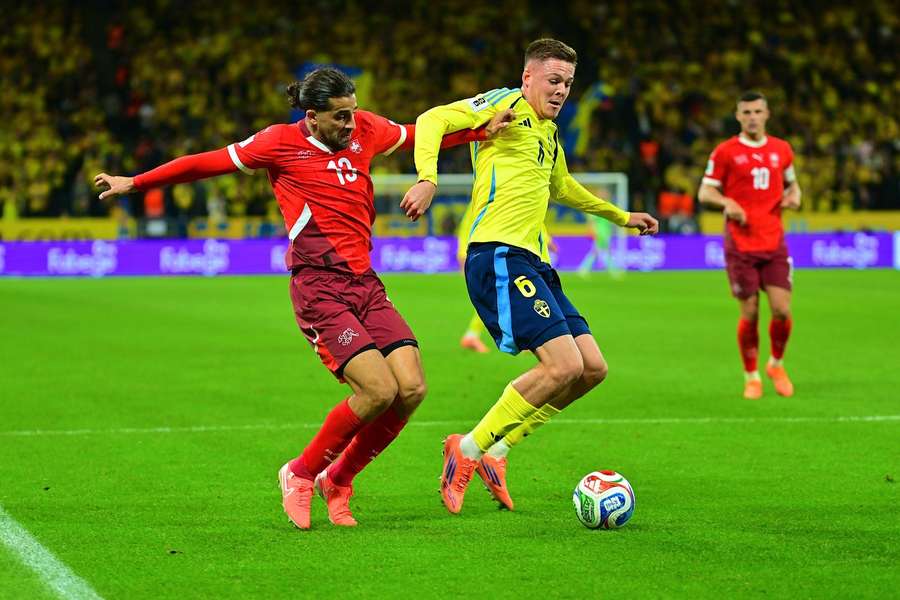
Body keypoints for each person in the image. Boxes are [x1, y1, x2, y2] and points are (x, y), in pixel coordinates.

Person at [95, 67, 513, 529]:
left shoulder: (366, 128)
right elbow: (206, 162)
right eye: (340, 117)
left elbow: (420, 136)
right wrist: (136, 182)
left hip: (365, 283)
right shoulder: (277, 143)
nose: (351, 125)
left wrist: (478, 130)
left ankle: (338, 480)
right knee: (377, 390)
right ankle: (299, 472)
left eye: (353, 114)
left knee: (411, 389)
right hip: (319, 288)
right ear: (312, 118)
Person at [401, 39, 659, 514]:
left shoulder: (549, 133)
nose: (561, 91)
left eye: (568, 84)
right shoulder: (503, 103)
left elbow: (562, 186)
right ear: (527, 78)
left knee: (591, 369)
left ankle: (497, 451)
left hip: (536, 261)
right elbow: (433, 119)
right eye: (554, 80)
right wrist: (428, 178)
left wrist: (621, 216)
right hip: (497, 252)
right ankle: (468, 448)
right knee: (561, 366)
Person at [698, 91, 802, 400]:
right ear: (738, 116)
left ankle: (776, 365)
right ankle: (752, 375)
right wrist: (726, 201)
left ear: (767, 114)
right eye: (746, 112)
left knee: (782, 310)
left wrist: (796, 195)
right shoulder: (725, 151)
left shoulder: (782, 150)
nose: (752, 117)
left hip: (774, 242)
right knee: (751, 311)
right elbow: (705, 193)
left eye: (757, 111)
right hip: (741, 245)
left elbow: (792, 184)